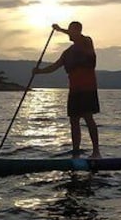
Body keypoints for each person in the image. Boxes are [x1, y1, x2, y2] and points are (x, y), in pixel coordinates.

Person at [32, 22, 102, 158]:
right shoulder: (67, 53)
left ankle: (96, 152)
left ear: (77, 31)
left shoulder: (87, 42)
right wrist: (39, 71)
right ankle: (76, 152)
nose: (69, 34)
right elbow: (54, 66)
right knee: (74, 120)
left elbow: (76, 35)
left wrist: (59, 29)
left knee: (88, 117)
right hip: (74, 90)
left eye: (71, 31)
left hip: (87, 88)